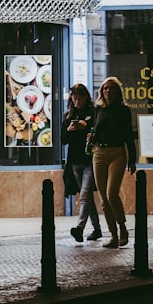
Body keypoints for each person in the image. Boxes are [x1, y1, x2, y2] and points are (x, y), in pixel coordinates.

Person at [90, 76, 136, 249]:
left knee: (111, 194)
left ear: (118, 92)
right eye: (105, 89)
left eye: (111, 88)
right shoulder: (98, 109)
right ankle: (113, 236)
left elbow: (129, 136)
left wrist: (132, 158)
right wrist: (91, 136)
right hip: (99, 153)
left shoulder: (124, 110)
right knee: (103, 199)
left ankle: (123, 228)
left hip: (118, 153)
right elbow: (94, 129)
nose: (108, 91)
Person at [62, 83, 101, 242]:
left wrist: (86, 127)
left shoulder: (93, 113)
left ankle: (79, 228)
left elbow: (98, 133)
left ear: (86, 97)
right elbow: (63, 140)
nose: (77, 101)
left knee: (85, 194)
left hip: (90, 159)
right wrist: (70, 130)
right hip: (74, 161)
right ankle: (97, 229)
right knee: (87, 197)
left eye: (80, 98)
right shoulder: (68, 116)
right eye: (74, 98)